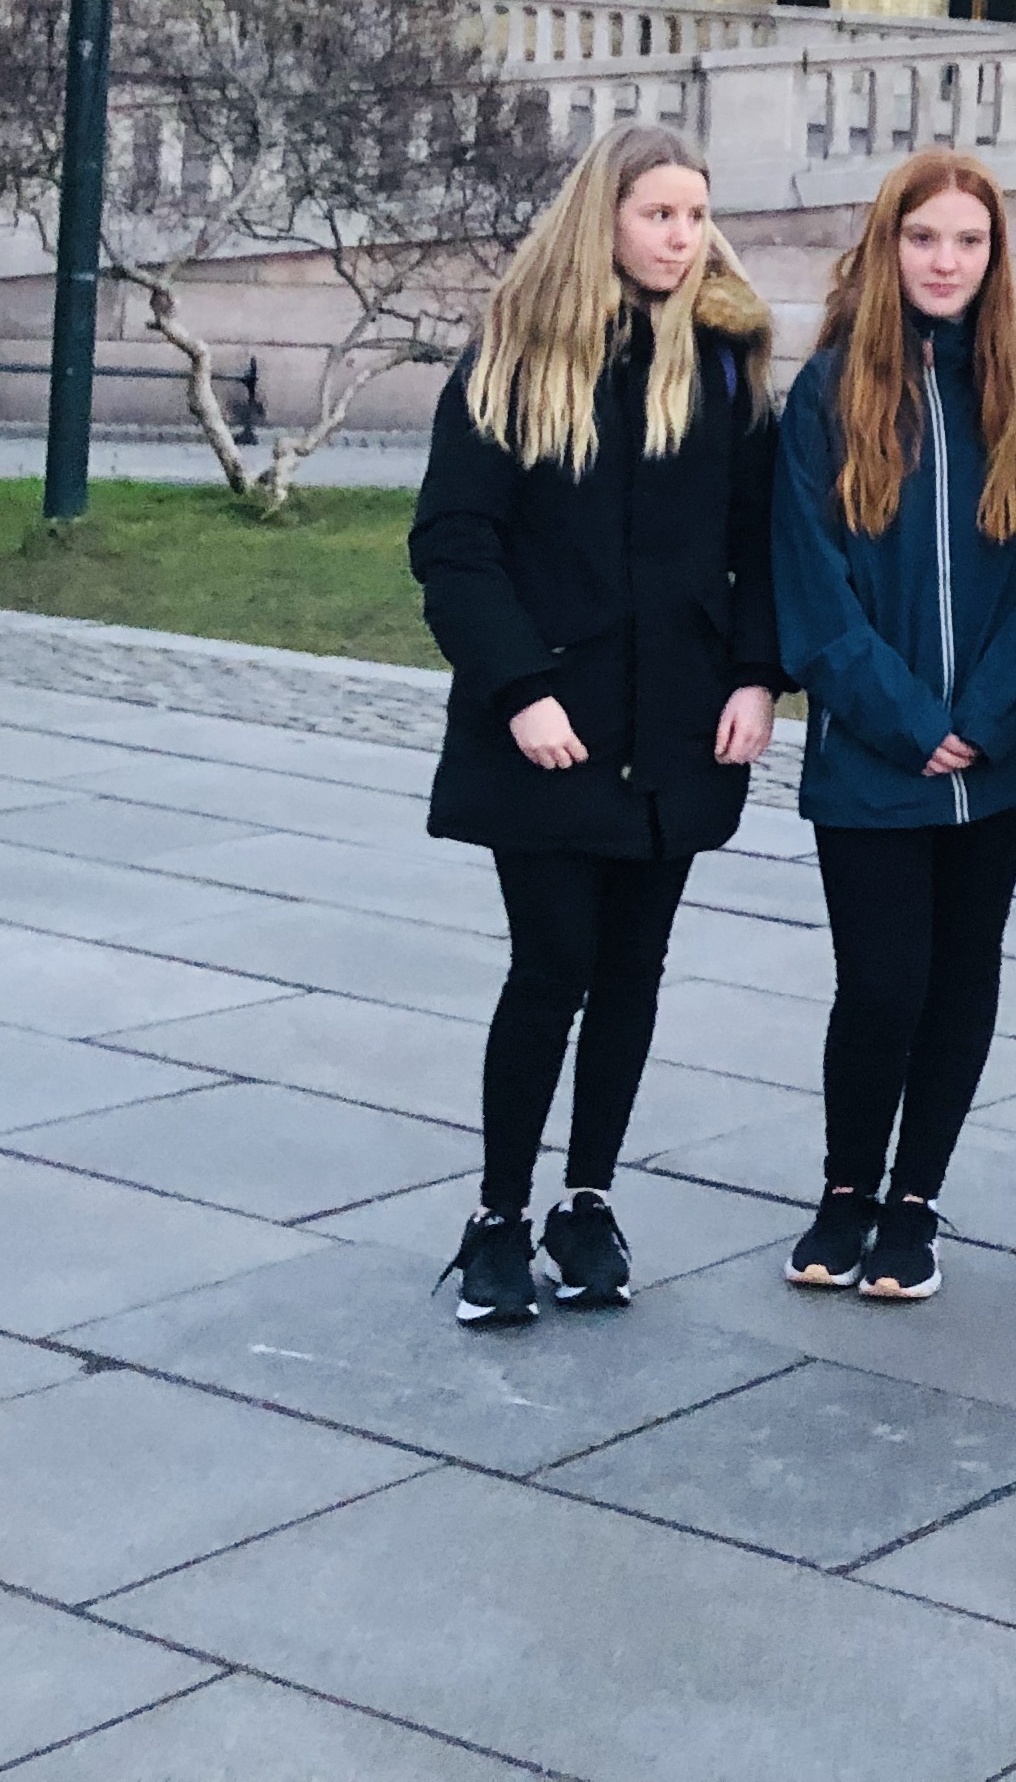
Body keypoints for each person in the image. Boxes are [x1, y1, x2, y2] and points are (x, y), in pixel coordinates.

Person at [410, 125, 779, 1330]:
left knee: (634, 971)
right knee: (552, 965)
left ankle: (587, 1200)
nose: (682, 239)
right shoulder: (514, 357)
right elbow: (454, 545)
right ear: (602, 221)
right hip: (552, 724)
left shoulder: (722, 364)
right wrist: (520, 688)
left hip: (675, 722)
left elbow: (760, 543)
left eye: (694, 217)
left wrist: (758, 678)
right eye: (659, 215)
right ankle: (498, 1215)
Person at [772, 149, 1016, 1304]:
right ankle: (848, 1187)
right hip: (873, 754)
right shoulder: (827, 396)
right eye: (924, 240)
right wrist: (907, 718)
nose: (945, 261)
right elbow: (808, 586)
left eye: (967, 241)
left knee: (963, 974)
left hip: (997, 760)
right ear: (886, 248)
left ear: (994, 256)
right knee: (882, 981)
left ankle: (916, 1199)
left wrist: (993, 713)